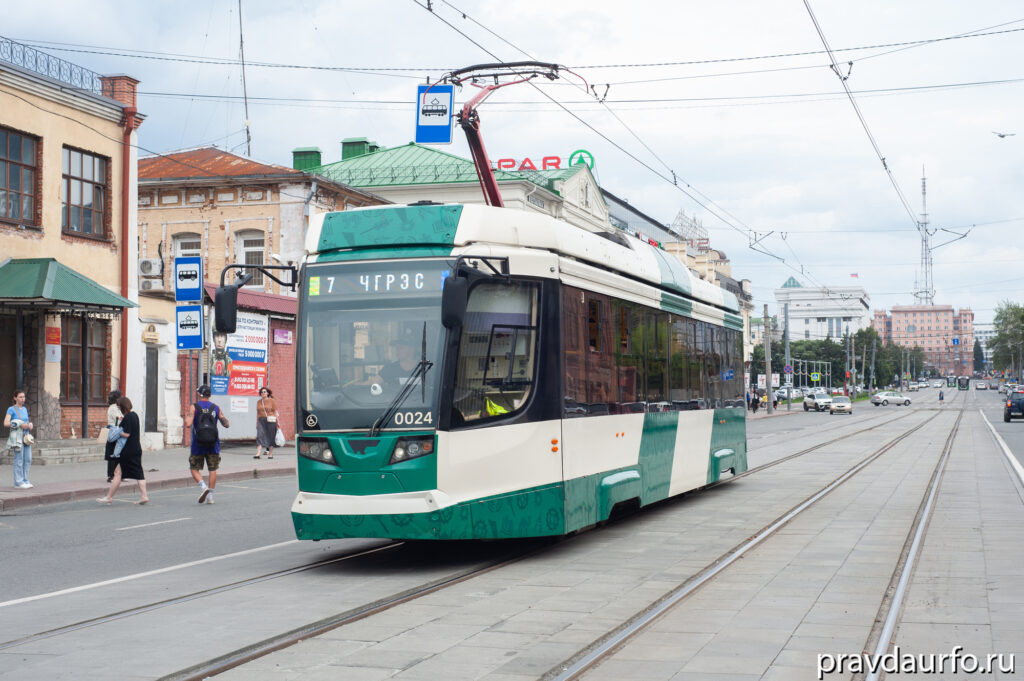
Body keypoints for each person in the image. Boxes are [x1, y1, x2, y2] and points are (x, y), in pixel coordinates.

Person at [97, 396, 149, 505]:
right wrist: (122, 423)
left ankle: (109, 497)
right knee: (139, 473)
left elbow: (127, 434)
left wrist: (116, 430)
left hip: (127, 451)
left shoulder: (127, 418)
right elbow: (132, 429)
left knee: (117, 473)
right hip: (136, 449)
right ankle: (144, 496)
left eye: (119, 407)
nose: (119, 408)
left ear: (122, 407)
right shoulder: (134, 415)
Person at [184, 384, 229, 504]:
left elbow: (188, 424)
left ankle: (204, 487)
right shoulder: (216, 407)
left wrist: (187, 416)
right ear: (209, 395)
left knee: (194, 468)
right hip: (213, 444)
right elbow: (226, 423)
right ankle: (211, 497)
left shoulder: (194, 407)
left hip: (198, 444)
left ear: (199, 394)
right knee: (212, 469)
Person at [4, 390, 33, 489]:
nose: (23, 399)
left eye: (24, 397)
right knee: (19, 460)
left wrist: (29, 425)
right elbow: (6, 423)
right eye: (20, 397)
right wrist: (20, 424)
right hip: (17, 437)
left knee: (28, 459)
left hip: (26, 437)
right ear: (15, 398)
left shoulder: (24, 409)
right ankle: (18, 482)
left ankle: (25, 480)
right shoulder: (11, 409)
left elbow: (26, 421)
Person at [254, 386, 279, 459]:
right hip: (261, 420)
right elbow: (258, 413)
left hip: (271, 420)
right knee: (259, 436)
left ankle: (270, 454)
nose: (263, 393)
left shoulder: (272, 401)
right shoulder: (258, 402)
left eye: (264, 392)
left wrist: (278, 422)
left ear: (267, 393)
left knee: (271, 437)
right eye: (261, 392)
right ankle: (258, 454)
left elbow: (275, 411)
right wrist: (257, 422)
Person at [103, 390, 123, 482]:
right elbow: (119, 419)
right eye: (120, 397)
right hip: (114, 432)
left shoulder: (116, 407)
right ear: (117, 398)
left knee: (118, 454)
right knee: (112, 454)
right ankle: (111, 476)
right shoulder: (113, 408)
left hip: (117, 431)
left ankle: (118, 475)